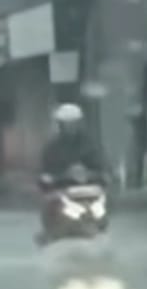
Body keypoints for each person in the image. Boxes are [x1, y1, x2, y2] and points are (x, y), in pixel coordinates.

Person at [37, 103, 106, 240]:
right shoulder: (52, 147)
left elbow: (101, 164)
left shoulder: (90, 144)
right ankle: (49, 232)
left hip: (89, 189)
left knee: (103, 203)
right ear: (60, 125)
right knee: (47, 202)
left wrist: (98, 174)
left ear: (80, 124)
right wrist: (52, 178)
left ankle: (101, 225)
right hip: (62, 189)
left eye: (74, 123)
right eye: (67, 124)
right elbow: (45, 171)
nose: (71, 127)